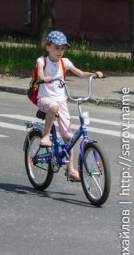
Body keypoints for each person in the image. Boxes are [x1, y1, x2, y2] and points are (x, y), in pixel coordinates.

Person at [35, 30, 104, 182]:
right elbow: (40, 75)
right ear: (48, 47)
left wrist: (94, 74)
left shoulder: (65, 62)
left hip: (61, 100)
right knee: (53, 107)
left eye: (62, 48)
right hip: (45, 98)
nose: (60, 51)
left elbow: (81, 74)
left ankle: (70, 169)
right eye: (56, 48)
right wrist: (44, 78)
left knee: (68, 137)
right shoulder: (42, 61)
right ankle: (46, 135)